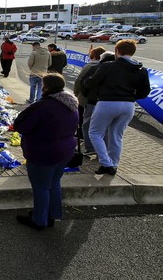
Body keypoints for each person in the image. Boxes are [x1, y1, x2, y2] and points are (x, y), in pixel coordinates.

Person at [13, 73, 79, 230]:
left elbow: (21, 126)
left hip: (44, 152)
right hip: (65, 150)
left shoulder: (43, 106)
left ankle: (39, 220)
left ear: (46, 87)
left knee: (41, 186)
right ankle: (52, 214)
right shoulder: (71, 103)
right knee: (54, 183)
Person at [83, 40, 150, 175]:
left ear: (117, 51)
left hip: (107, 102)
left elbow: (91, 82)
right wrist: (131, 98)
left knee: (95, 133)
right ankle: (113, 164)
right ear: (132, 52)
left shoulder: (108, 66)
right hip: (128, 105)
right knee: (116, 136)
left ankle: (106, 163)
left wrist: (89, 83)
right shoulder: (141, 70)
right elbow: (145, 91)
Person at [73, 46, 106, 155]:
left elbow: (80, 80)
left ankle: (88, 145)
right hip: (105, 100)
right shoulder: (111, 67)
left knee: (85, 122)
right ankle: (102, 148)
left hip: (88, 99)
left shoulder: (90, 66)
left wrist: (77, 92)